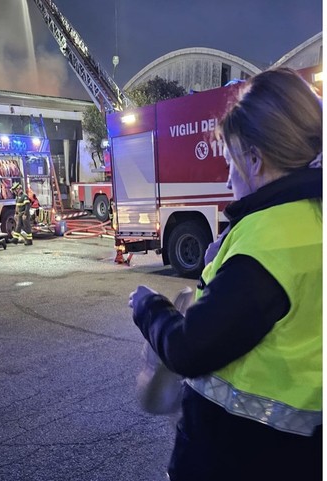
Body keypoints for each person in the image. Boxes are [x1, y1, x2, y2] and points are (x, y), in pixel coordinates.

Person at [129, 68, 322, 481]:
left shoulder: (269, 239)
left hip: (237, 456)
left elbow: (190, 350)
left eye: (231, 161)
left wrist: (148, 306)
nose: (229, 177)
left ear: (255, 159)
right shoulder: (314, 220)